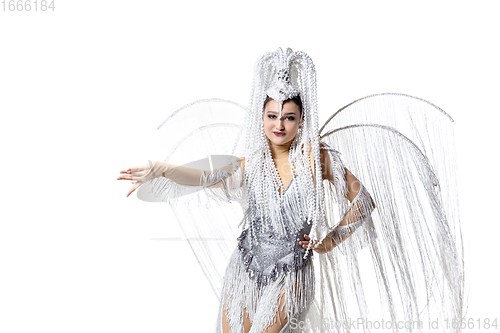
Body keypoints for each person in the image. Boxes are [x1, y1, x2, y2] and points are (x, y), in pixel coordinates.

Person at [118, 48, 464, 333]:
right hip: (244, 266)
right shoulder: (251, 162)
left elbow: (363, 201)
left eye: (288, 117)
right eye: (272, 116)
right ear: (262, 119)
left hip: (292, 272)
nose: (279, 125)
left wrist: (329, 240)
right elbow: (205, 174)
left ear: (301, 121)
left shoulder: (317, 160)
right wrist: (158, 170)